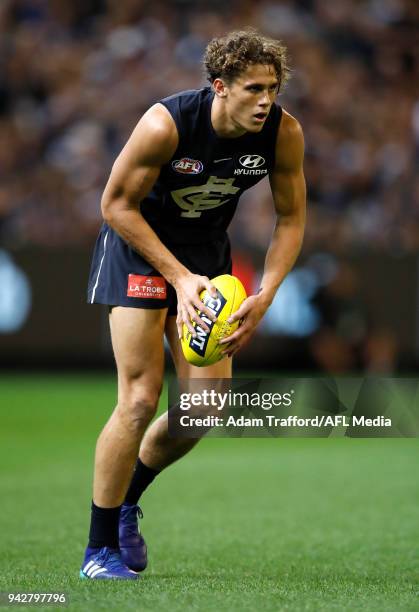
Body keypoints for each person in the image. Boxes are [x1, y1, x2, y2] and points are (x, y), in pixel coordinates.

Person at [80, 28, 306, 580]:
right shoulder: (167, 124)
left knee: (205, 407)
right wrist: (179, 279)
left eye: (273, 88)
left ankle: (128, 497)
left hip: (206, 259)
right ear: (219, 87)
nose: (266, 100)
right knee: (139, 398)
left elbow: (292, 218)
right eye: (253, 88)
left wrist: (266, 293)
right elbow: (115, 205)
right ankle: (98, 548)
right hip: (140, 250)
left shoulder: (283, 133)